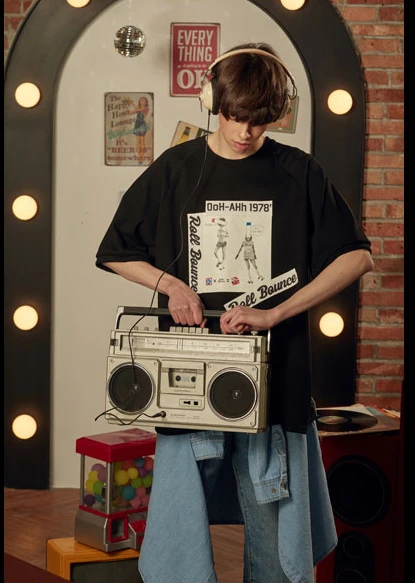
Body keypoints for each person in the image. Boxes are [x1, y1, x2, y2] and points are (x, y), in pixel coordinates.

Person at [96, 42, 374, 583]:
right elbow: (115, 250)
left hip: (273, 381)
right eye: (234, 116)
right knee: (181, 542)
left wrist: (276, 314)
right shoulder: (175, 168)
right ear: (211, 101)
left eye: (260, 121)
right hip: (189, 376)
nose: (246, 132)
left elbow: (356, 256)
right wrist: (171, 285)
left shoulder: (299, 171)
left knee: (275, 545)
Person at [125, 95, 150, 163]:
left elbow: (138, 110)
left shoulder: (146, 108)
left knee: (142, 142)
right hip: (137, 124)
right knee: (138, 142)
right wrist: (127, 106)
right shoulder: (138, 108)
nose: (142, 101)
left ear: (146, 102)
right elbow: (130, 113)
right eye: (141, 100)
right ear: (139, 101)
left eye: (144, 100)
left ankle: (141, 157)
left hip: (142, 125)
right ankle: (139, 156)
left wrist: (131, 103)